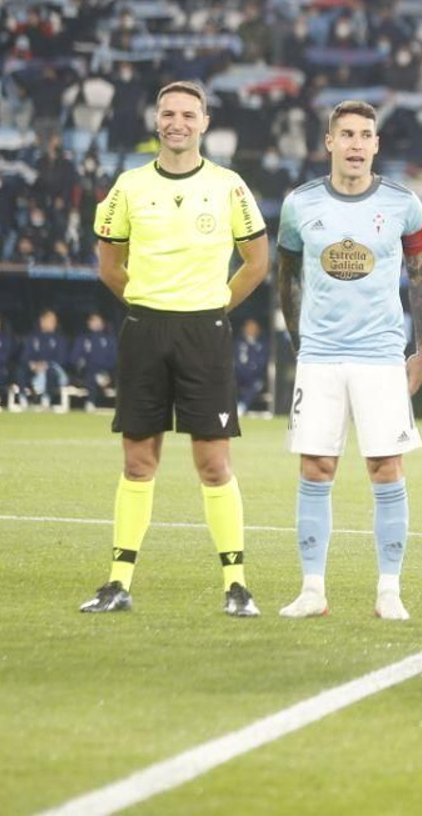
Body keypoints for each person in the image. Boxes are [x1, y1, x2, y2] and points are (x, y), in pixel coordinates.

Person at [81, 80, 270, 617]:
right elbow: (109, 264)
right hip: (144, 330)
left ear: (204, 123)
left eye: (188, 114)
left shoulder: (229, 186)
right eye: (169, 113)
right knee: (138, 460)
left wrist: (214, 307)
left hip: (204, 333)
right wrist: (147, 303)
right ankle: (117, 582)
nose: (178, 122)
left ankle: (236, 585)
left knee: (213, 462)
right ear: (157, 120)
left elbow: (256, 262)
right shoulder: (129, 187)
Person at [276, 100, 422, 621]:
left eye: (365, 135)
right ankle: (312, 589)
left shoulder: (404, 203)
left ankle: (389, 590)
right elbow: (287, 277)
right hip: (320, 356)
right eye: (346, 134)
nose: (356, 144)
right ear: (329, 142)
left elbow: (420, 277)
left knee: (385, 467)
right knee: (316, 466)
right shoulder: (299, 205)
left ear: (376, 145)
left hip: (380, 356)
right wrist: (300, 341)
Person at [18, 308, 69, 409]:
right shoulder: (33, 337)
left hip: (52, 369)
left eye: (54, 321)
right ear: (42, 321)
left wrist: (46, 364)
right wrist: (32, 364)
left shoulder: (60, 338)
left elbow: (62, 359)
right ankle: (22, 398)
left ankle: (46, 399)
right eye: (50, 320)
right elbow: (24, 356)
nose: (53, 323)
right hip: (34, 368)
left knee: (50, 372)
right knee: (20, 370)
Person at [71, 311, 117, 406]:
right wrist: (82, 364)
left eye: (98, 320)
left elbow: (115, 360)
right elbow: (74, 358)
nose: (96, 323)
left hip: (107, 373)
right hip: (87, 373)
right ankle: (91, 403)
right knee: (92, 373)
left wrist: (104, 371)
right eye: (93, 320)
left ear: (103, 322)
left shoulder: (110, 340)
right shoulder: (82, 339)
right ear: (88, 323)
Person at [234, 318, 268, 416]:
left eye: (254, 328)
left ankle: (241, 407)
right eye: (249, 327)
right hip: (238, 374)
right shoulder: (237, 343)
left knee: (257, 384)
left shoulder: (262, 344)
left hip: (254, 377)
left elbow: (262, 362)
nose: (252, 330)